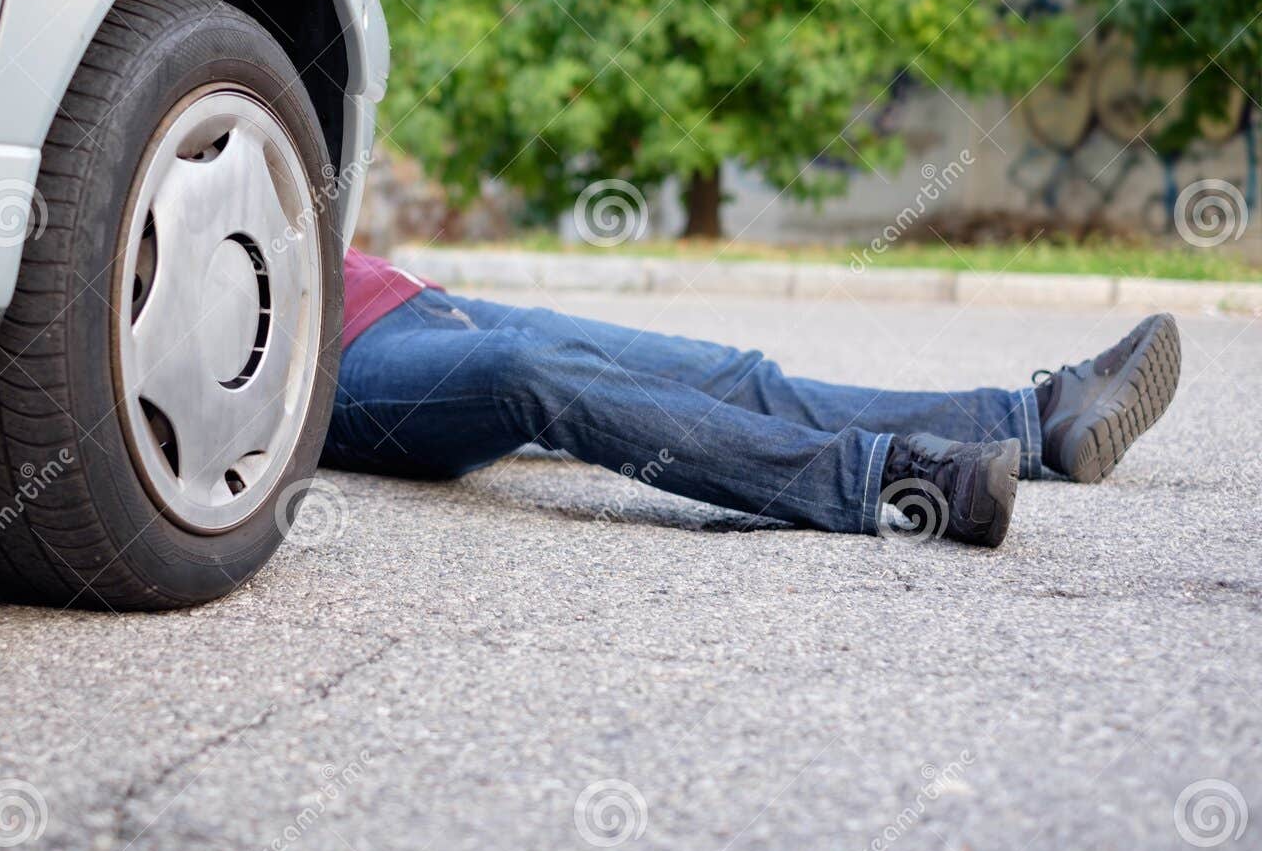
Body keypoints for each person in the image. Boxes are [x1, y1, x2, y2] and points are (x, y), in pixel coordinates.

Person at [319, 249, 1182, 548]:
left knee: (734, 372)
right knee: (525, 374)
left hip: (410, 295)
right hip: (333, 365)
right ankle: (899, 480)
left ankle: (1038, 423)